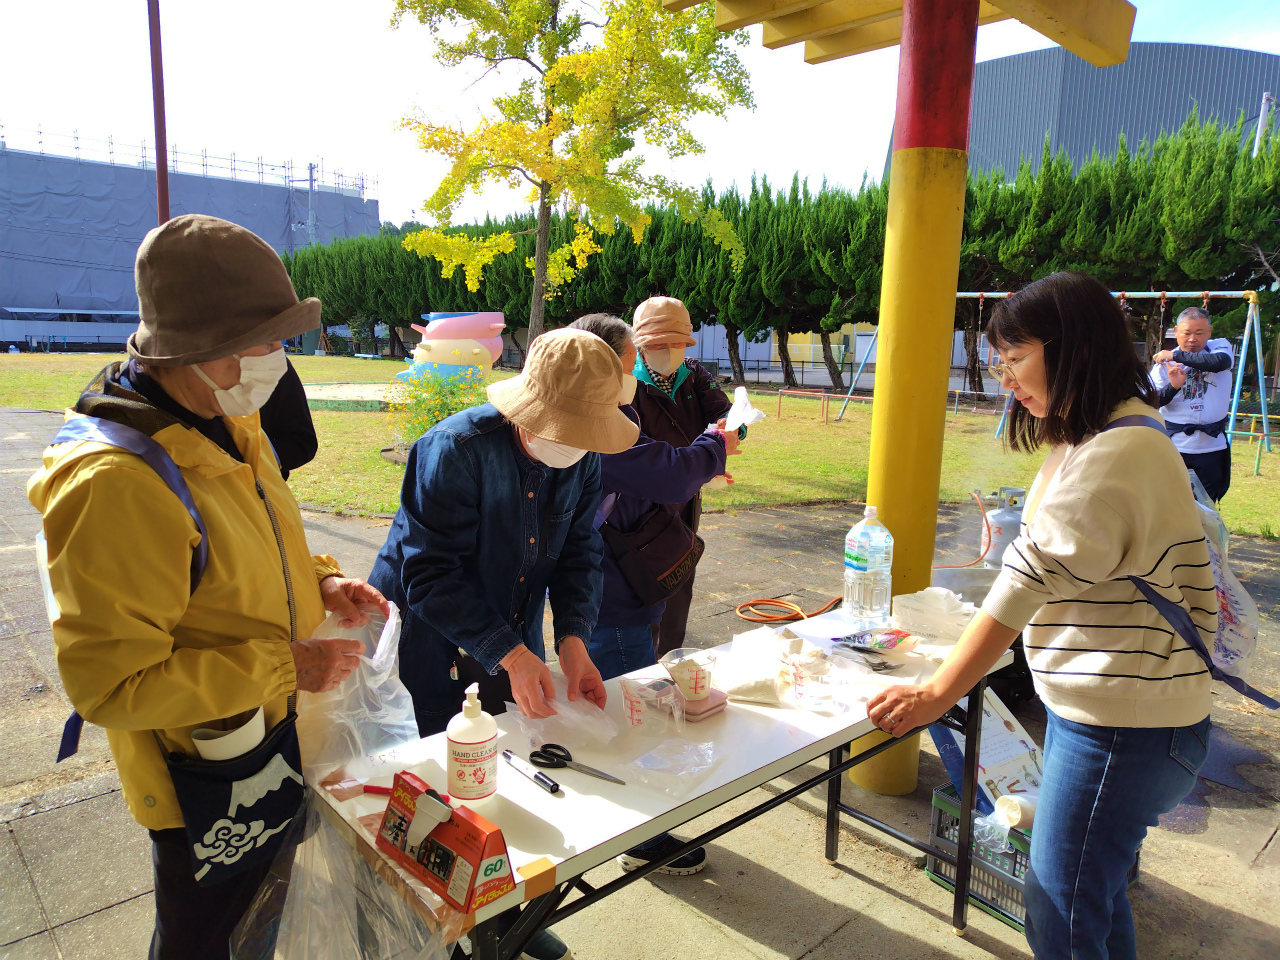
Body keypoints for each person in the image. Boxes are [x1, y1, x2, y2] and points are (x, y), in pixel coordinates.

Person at [27, 214, 388, 960]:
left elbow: (255, 537)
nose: (276, 360)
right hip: (206, 776)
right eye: (260, 343)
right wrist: (288, 665)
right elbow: (111, 685)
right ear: (194, 350)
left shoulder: (223, 413)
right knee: (208, 941)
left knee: (260, 920)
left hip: (268, 738)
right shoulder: (116, 484)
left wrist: (322, 581)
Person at [867, 272, 1213, 960]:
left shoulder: (1114, 453)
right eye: (999, 361)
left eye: (1016, 358)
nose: (1005, 378)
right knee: (1093, 898)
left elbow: (1022, 587)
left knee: (1059, 913)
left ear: (1073, 347)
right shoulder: (1105, 431)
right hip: (1119, 713)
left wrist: (936, 693)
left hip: (1123, 726)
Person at [369, 328, 636, 960]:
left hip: (509, 623)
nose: (573, 445)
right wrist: (513, 654)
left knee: (499, 773)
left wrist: (573, 640)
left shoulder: (582, 455)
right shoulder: (455, 449)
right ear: (527, 409)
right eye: (563, 429)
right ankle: (432, 931)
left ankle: (502, 912)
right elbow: (429, 575)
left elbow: (580, 551)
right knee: (434, 784)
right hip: (430, 635)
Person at [568, 313, 740, 876]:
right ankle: (641, 834)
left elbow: (670, 460)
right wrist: (712, 449)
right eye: (632, 360)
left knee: (618, 695)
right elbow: (664, 471)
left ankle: (626, 815)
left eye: (676, 342)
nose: (639, 370)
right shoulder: (593, 421)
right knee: (631, 712)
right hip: (614, 585)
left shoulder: (619, 402)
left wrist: (713, 445)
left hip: (623, 572)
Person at [628, 296, 732, 658]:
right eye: (660, 344)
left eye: (679, 343)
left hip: (686, 498)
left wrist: (730, 433)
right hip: (638, 504)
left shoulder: (694, 373)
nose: (671, 351)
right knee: (642, 585)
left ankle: (671, 661)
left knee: (680, 577)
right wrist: (702, 460)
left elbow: (724, 413)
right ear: (640, 344)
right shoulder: (626, 380)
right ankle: (639, 665)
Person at [1150, 306, 1234, 501]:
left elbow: (1219, 363)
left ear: (1209, 332)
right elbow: (1153, 402)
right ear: (1176, 332)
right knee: (1169, 504)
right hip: (1174, 447)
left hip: (1212, 447)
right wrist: (1173, 386)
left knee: (1206, 507)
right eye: (1187, 333)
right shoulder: (1163, 364)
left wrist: (1175, 355)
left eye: (1199, 333)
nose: (1192, 339)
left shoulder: (1219, 347)